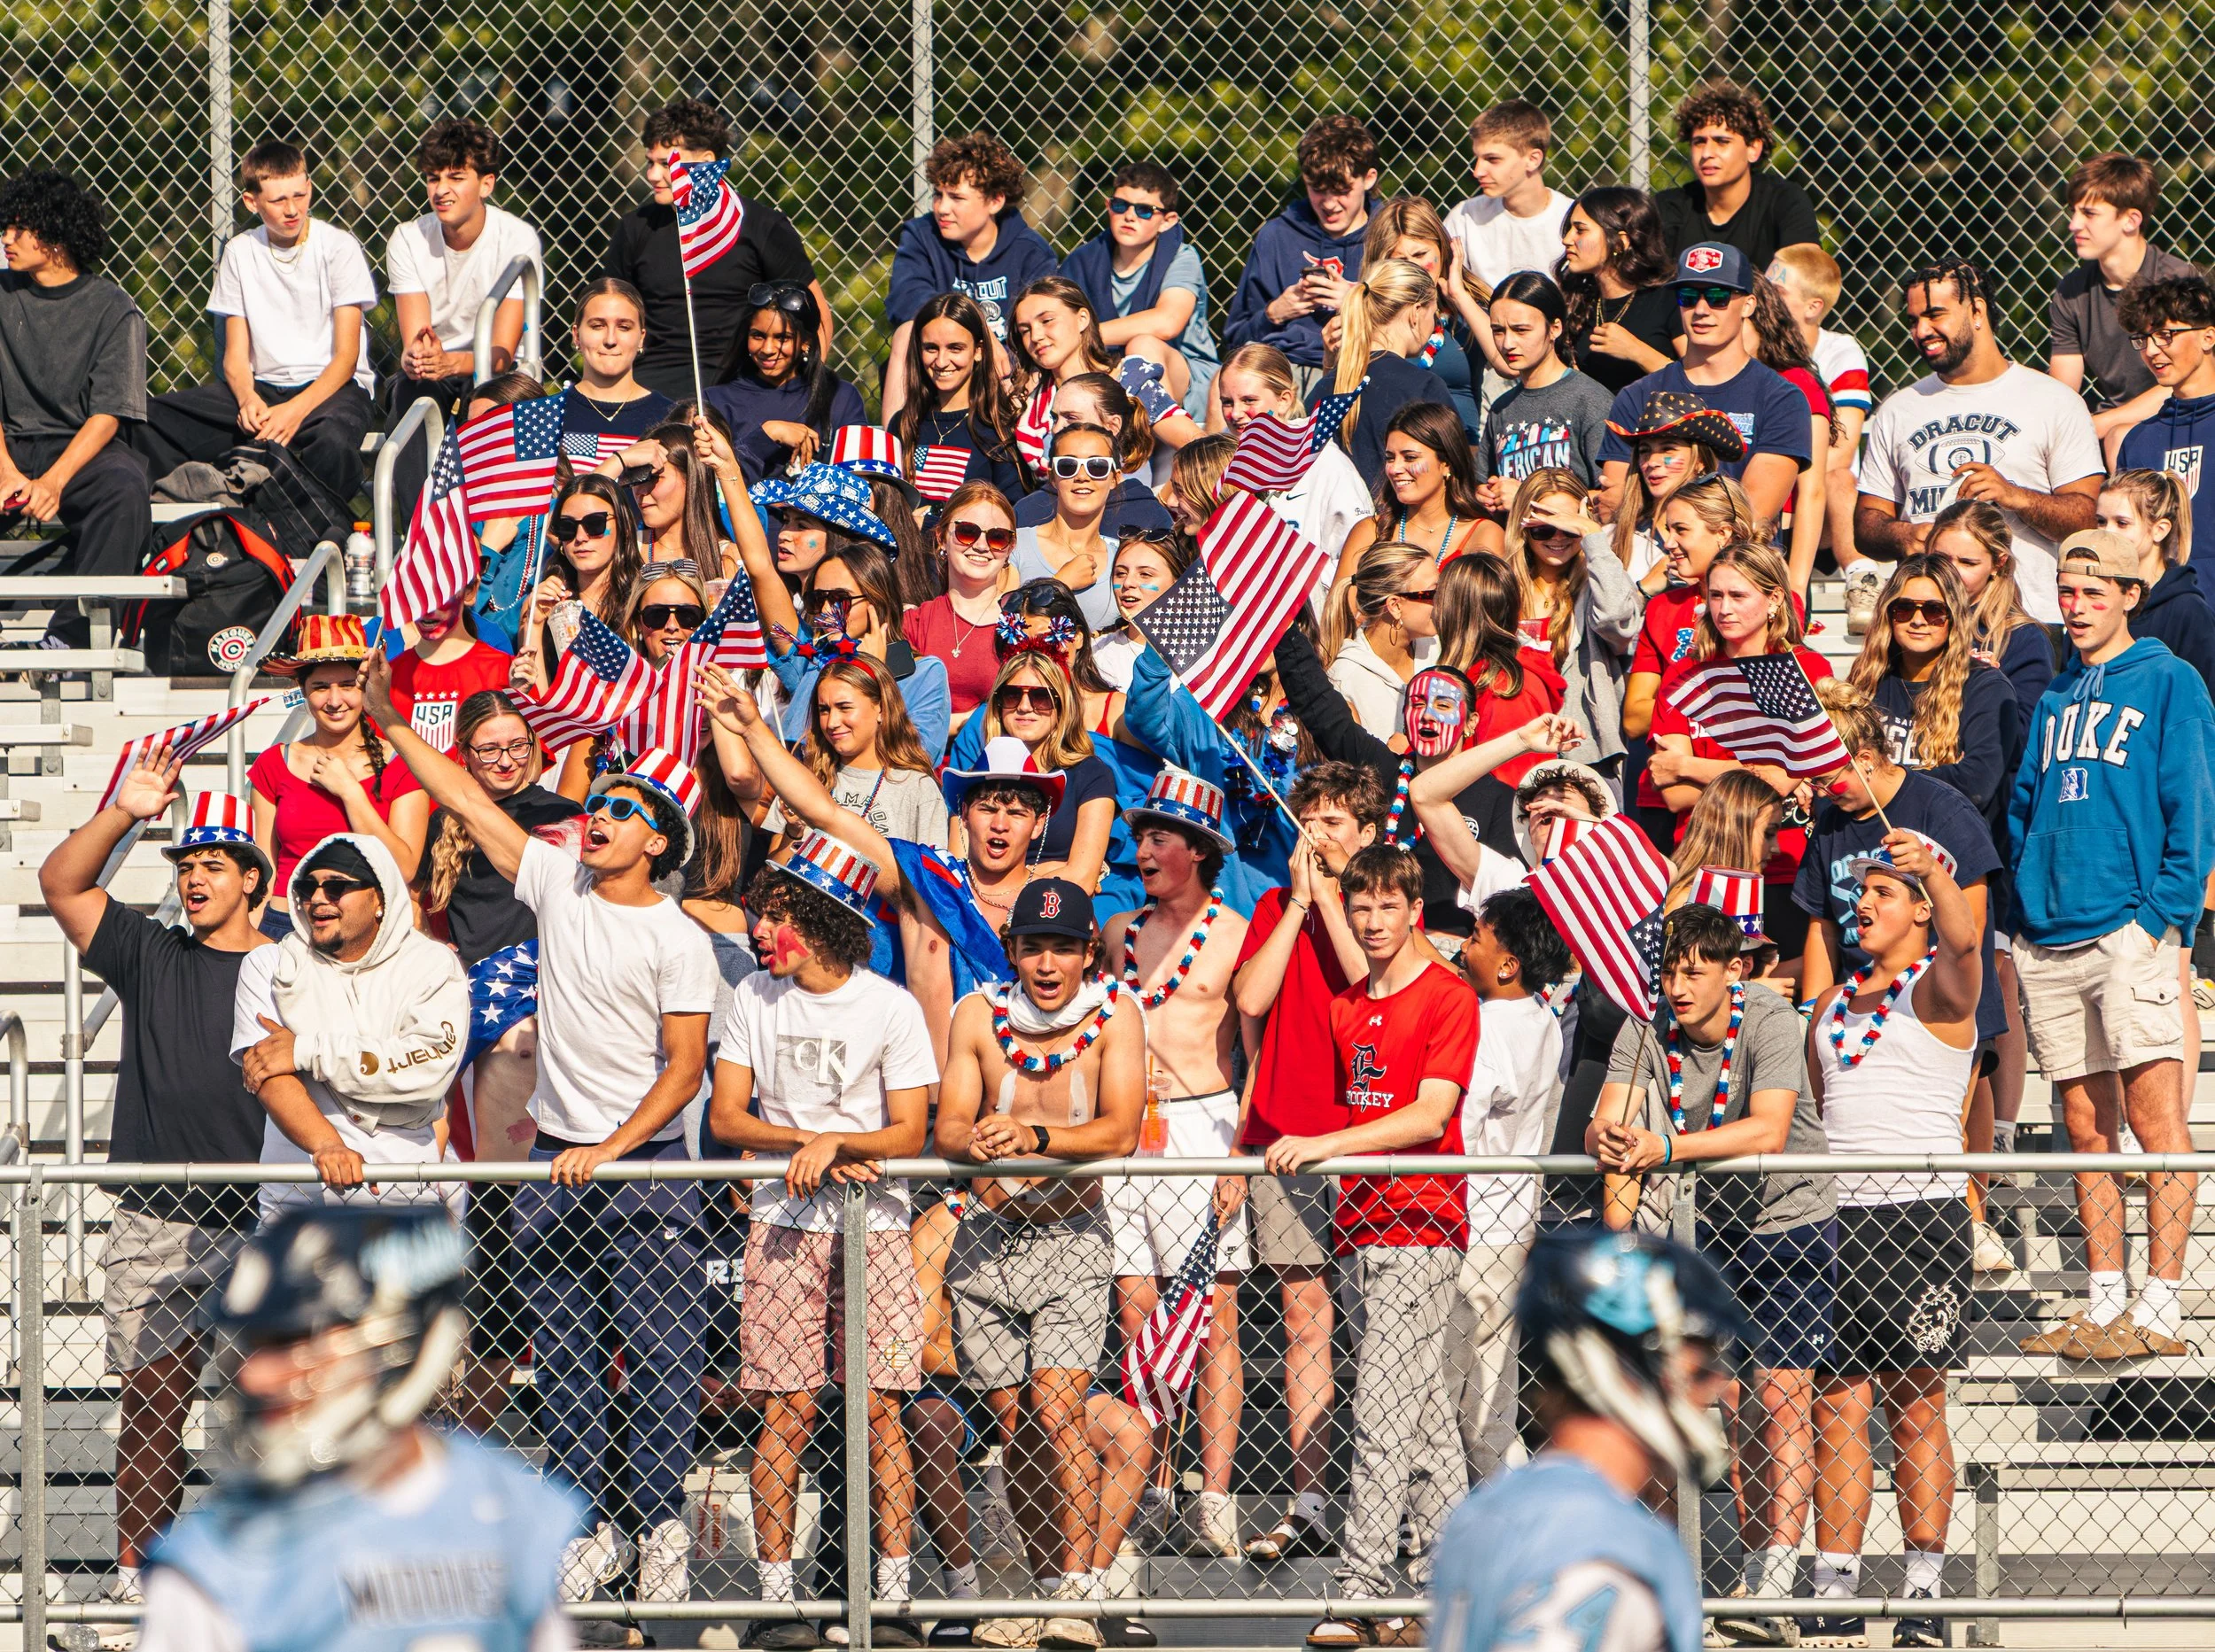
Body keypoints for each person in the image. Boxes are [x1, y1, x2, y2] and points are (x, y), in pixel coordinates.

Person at [369, 649, 720, 1605]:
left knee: (656, 1360)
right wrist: (394, 726)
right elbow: (469, 803)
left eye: (621, 812)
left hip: (644, 1169)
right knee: (563, 1362)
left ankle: (656, 1526)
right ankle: (588, 1525)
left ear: (659, 840)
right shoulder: (557, 884)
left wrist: (610, 1146)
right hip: (557, 1170)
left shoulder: (680, 938)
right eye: (597, 806)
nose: (597, 818)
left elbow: (686, 1069)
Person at [40, 764, 271, 1631]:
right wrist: (126, 809)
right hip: (155, 1215)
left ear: (253, 875)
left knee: (270, 1412)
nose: (196, 874)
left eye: (216, 860)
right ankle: (143, 1565)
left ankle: (262, 1565)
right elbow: (61, 880)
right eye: (186, 862)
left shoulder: (292, 960)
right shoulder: (148, 951)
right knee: (151, 1403)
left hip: (266, 1217)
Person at [136, 1206, 578, 1652]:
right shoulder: (217, 1563)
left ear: (406, 1342)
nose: (256, 1376)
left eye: (297, 1341)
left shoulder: (512, 1515)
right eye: (257, 1346)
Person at [708, 833, 937, 1649]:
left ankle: (897, 1598)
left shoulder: (889, 1005)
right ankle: (778, 1601)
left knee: (879, 1412)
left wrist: (835, 1147)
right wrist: (807, 1141)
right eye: (758, 915)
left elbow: (910, 1131)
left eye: (775, 916)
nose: (760, 931)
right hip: (780, 1227)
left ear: (822, 922)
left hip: (873, 1228)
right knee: (788, 1410)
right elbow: (725, 1116)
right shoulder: (752, 1000)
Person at [1586, 899, 1834, 1648]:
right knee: (1719, 1405)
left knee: (1780, 1396)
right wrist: (1616, 1235)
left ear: (1736, 969)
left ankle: (1775, 1576)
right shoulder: (1643, 1024)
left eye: (1696, 970)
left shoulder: (1765, 1017)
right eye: (1670, 969)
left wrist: (1660, 1149)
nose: (1680, 985)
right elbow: (1612, 1130)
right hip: (1703, 1227)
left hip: (1788, 1219)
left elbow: (1767, 1126)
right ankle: (1717, 1567)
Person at [1264, 845, 1478, 1646]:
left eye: (1388, 906)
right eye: (1360, 908)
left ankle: (1357, 1586)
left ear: (1414, 908)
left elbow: (1429, 1115)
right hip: (1359, 1226)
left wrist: (1326, 1144)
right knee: (1418, 1419)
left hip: (1422, 1224)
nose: (1374, 920)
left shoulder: (1450, 995)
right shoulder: (1347, 1003)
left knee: (1383, 1413)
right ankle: (1456, 1579)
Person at [2009, 529, 2215, 1361]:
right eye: (2066, 590)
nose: (2077, 605)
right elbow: (2025, 805)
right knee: (2085, 1125)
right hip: (2052, 932)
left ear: (2132, 594)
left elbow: (2192, 809)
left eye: (2096, 592)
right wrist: (2026, 910)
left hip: (2130, 926)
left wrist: (2160, 917)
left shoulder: (2170, 679)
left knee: (2154, 1116)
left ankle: (2160, 1307)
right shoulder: (2057, 694)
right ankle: (2104, 1302)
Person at [937, 877, 1146, 1646]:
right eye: (1033, 945)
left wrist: (1037, 1140)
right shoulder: (976, 1013)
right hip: (987, 1238)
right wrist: (981, 1139)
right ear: (1013, 949)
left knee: (1060, 1412)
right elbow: (949, 1127)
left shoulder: (1119, 1012)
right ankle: (1044, 1586)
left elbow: (1121, 1129)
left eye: (1063, 946)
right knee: (1017, 1427)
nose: (1047, 961)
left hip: (1073, 1236)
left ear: (1089, 949)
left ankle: (1081, 1594)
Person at [1803, 829, 1983, 1651]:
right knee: (1836, 1405)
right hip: (1838, 1222)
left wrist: (1933, 871)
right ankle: (1835, 1589)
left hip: (1920, 1220)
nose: (1863, 904)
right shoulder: (1827, 1008)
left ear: (1918, 908)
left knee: (1916, 1408)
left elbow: (1968, 936)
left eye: (1884, 892)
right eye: (1860, 891)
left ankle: (1923, 1593)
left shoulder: (1943, 990)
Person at [1427, 1228, 1747, 1652]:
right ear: (1632, 1367)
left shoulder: (1487, 1508)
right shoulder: (1605, 1541)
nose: (1713, 1388)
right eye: (1701, 1368)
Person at [1798, 679, 2011, 1268]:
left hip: (1942, 987)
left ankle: (1974, 1213)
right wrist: (1816, 1012)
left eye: (1826, 775)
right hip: (1861, 994)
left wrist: (1930, 878)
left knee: (1956, 1112)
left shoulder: (1939, 806)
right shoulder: (1830, 818)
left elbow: (1968, 925)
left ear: (1863, 759)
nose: (1817, 789)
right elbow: (1820, 922)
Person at [1226, 762, 1382, 1562]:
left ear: (1364, 835)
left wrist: (1333, 901)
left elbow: (1369, 985)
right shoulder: (1270, 905)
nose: (1315, 835)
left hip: (1368, 1143)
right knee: (1303, 1320)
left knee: (1377, 1326)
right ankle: (1312, 1499)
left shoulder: (1380, 913)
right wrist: (1295, 904)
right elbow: (1251, 1000)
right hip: (1286, 1137)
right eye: (1308, 819)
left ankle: (1386, 1499)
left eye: (1332, 823)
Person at [1102, 772, 1251, 1558]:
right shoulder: (1117, 930)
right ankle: (1153, 1482)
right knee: (1138, 1311)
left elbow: (1256, 1057)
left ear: (1198, 849)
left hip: (1202, 1126)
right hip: (1128, 1134)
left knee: (1214, 1317)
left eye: (1160, 837)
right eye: (1141, 836)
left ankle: (1216, 1496)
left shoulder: (1234, 935)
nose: (1143, 850)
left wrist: (1240, 1155)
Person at [1408, 886, 1571, 1524]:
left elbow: (1459, 1126)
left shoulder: (1486, 1025)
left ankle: (1477, 1526)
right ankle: (1512, 1518)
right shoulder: (1543, 1018)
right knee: (1488, 1398)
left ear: (1508, 962)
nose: (1462, 944)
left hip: (1472, 1230)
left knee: (1452, 1400)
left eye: (1476, 936)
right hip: (1513, 1225)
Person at [230, 827, 468, 1226]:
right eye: (307, 887)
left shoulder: (431, 966)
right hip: (296, 1197)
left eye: (337, 887)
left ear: (379, 898)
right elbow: (268, 1075)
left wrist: (306, 1051)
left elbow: (426, 1071)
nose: (318, 899)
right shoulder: (268, 964)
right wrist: (327, 1146)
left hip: (398, 1190)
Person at [1856, 258, 2103, 624]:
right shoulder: (1899, 409)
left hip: (2026, 620)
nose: (1921, 330)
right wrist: (1902, 535)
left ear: (1977, 311)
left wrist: (2015, 496)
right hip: (1925, 620)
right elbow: (1866, 524)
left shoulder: (2054, 401)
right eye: (1913, 321)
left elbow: (2085, 520)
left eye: (1935, 315)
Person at [134, 139, 377, 503]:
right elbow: (235, 357)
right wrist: (247, 399)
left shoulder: (338, 247)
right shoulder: (240, 252)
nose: (293, 209)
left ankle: (311, 543)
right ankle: (182, 533)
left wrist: (293, 413)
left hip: (331, 390)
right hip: (263, 389)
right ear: (252, 202)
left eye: (300, 195)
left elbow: (346, 359)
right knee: (151, 419)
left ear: (309, 188)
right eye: (279, 201)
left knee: (332, 441)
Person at [1649, 541, 1832, 959]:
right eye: (1715, 596)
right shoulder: (1685, 676)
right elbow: (1673, 792)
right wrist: (1767, 772)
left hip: (1786, 868)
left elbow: (1785, 777)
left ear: (1773, 600)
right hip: (1703, 867)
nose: (1724, 608)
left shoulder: (1806, 670)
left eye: (1738, 595)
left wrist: (1690, 764)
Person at [0, 169, 151, 648]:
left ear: (56, 236)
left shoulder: (113, 308)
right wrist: (6, 472)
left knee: (125, 489)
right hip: (9, 445)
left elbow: (108, 415)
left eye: (19, 229)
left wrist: (54, 481)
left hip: (79, 450)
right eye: (6, 227)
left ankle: (71, 640)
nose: (7, 238)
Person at [607, 97, 825, 399]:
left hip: (743, 388)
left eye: (666, 163)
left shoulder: (762, 225)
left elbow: (816, 316)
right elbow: (609, 313)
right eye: (650, 162)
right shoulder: (634, 228)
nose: (653, 176)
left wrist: (801, 395)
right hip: (650, 388)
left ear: (707, 161)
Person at [382, 118, 543, 514]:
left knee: (496, 397)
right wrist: (417, 356)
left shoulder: (517, 238)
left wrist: (450, 362)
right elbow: (416, 339)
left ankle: (492, 531)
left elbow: (502, 353)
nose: (441, 190)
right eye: (433, 178)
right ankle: (423, 534)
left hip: (498, 369)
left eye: (456, 177)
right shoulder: (407, 238)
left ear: (486, 184)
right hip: (438, 372)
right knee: (408, 393)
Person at [1596, 244, 1810, 533]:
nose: (1700, 309)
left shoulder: (1781, 398)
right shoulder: (1638, 396)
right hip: (1647, 554)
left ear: (1748, 305)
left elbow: (1750, 516)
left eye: (1717, 297)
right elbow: (1620, 504)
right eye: (1688, 297)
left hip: (1736, 567)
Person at [248, 616, 429, 941]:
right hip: (285, 926)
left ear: (365, 686)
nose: (334, 701)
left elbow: (404, 868)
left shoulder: (403, 765)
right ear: (302, 690)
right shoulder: (272, 764)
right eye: (320, 687)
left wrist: (350, 793)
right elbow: (265, 870)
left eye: (347, 685)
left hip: (369, 930)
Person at [1845, 553, 2025, 842]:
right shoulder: (1867, 681)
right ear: (1888, 614)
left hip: (1952, 854)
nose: (1917, 620)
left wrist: (1876, 779)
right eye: (1904, 609)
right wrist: (1940, 774)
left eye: (1933, 611)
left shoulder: (1985, 687)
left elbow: (1976, 783)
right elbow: (1839, 774)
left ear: (1953, 616)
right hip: (1867, 849)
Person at [883, 131, 1061, 411]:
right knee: (906, 333)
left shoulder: (1029, 250)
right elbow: (905, 300)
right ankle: (897, 447)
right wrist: (980, 331)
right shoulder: (921, 236)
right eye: (938, 195)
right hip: (941, 369)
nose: (942, 208)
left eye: (956, 197)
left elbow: (1049, 320)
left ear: (995, 201)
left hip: (1006, 375)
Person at [2048, 152, 2197, 452]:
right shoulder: (2071, 292)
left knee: (2119, 438)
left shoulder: (2177, 280)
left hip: (2181, 415)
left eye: (2089, 214)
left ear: (2130, 220)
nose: (2074, 225)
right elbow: (2062, 391)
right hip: (2106, 425)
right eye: (2074, 212)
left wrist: (2100, 425)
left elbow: (2188, 381)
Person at [1224, 115, 1382, 389]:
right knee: (1225, 383)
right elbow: (1235, 337)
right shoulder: (1277, 235)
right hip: (1283, 370)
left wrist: (1356, 300)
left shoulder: (1390, 233)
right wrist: (1274, 313)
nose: (1330, 204)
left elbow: (1415, 324)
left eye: (1342, 190)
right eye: (1318, 190)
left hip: (1364, 363)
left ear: (1368, 178)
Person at [1505, 470, 1640, 781]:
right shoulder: (1500, 587)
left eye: (1569, 529)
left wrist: (1593, 537)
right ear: (1523, 528)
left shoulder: (1599, 584)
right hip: (1510, 747)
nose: (1557, 538)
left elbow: (1617, 618)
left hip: (1583, 753)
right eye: (1544, 529)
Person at [1060, 159, 1218, 417]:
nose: (1130, 216)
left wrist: (1084, 335)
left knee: (1142, 348)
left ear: (1167, 221)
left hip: (1188, 377)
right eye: (1120, 206)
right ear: (1108, 206)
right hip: (1109, 370)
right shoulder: (1084, 261)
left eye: (1145, 210)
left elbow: (1167, 322)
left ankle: (1163, 450)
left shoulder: (1182, 256)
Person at [1213, 343, 1376, 573]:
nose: (1236, 414)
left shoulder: (1326, 464)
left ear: (1284, 400)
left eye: (1249, 400)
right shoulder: (1217, 461)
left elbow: (1356, 554)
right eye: (1227, 402)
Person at [1768, 245, 1873, 599]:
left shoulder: (1839, 352)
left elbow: (1841, 452)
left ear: (1813, 307)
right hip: (1765, 504)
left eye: (1777, 293)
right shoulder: (1750, 347)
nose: (1763, 299)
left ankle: (1858, 573)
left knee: (1840, 476)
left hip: (1820, 503)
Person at [1353, 197, 1489, 442]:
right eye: (1400, 260)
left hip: (1459, 451)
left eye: (1420, 254)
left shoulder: (1466, 307)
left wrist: (1459, 296)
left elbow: (1508, 363)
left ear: (1443, 249)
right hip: (1393, 454)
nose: (1413, 267)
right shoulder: (1369, 313)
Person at [707, 281, 867, 482]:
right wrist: (768, 435)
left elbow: (861, 483)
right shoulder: (716, 401)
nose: (767, 349)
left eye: (783, 338)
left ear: (806, 342)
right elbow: (709, 485)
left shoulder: (841, 398)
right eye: (758, 336)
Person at [1652, 80, 1823, 268]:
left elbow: (1806, 280)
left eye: (1722, 141)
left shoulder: (1785, 201)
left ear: (1753, 149)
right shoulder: (1668, 208)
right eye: (1699, 142)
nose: (1707, 153)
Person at [1317, 259, 1453, 489]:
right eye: (1435, 314)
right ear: (1416, 313)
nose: (1434, 325)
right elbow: (1454, 469)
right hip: (1403, 521)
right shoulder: (1425, 388)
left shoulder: (1327, 386)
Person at [1740, 272, 1836, 595]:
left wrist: (1795, 586)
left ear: (1759, 318)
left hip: (1777, 549)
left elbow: (1813, 492)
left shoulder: (1796, 383)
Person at [1474, 270, 1613, 493]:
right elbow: (1483, 481)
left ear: (1555, 328)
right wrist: (1484, 496)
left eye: (1521, 330)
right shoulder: (1501, 409)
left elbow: (1612, 498)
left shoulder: (1590, 400)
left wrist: (1526, 498)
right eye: (1498, 331)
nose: (1508, 343)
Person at [890, 291, 1027, 499]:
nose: (942, 361)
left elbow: (1011, 510)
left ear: (978, 350)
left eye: (955, 348)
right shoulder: (904, 423)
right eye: (931, 348)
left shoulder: (999, 425)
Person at [1929, 497, 2055, 721]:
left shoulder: (2023, 638)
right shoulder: (1906, 619)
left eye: (1968, 562)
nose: (1951, 572)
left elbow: (2025, 733)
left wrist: (1975, 682)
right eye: (1941, 559)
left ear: (1998, 564)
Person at [2117, 274, 2215, 552]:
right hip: (2162, 594)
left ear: (2208, 337)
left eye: (2164, 335)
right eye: (2144, 339)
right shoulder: (2140, 441)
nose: (2150, 351)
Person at [903, 482, 1021, 716]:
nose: (981, 546)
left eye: (997, 537)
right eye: (967, 532)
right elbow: (893, 710)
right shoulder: (912, 622)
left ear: (1010, 547)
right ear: (941, 537)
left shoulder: (1023, 625)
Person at [1607, 393, 1745, 593]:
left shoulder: (1731, 535)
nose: (1652, 462)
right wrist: (1645, 589)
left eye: (1668, 449)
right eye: (1645, 451)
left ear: (1700, 461)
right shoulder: (1615, 537)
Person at [1442, 100, 1575, 303]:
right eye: (1477, 158)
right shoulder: (1465, 217)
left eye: (1493, 160)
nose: (1478, 171)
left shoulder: (1573, 219)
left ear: (1533, 159)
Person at [1555, 185, 1683, 395]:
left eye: (1580, 230)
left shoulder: (1669, 298)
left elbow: (1698, 381)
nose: (1567, 239)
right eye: (1569, 229)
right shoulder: (1578, 300)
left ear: (1620, 242)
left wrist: (1636, 351)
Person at [2099, 468, 2215, 692]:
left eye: (2121, 523)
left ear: (2160, 530)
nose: (2107, 532)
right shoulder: (2091, 601)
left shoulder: (2189, 613)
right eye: (2101, 521)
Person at [1341, 400, 1487, 577]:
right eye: (1390, 458)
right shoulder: (1369, 532)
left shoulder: (1483, 534)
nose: (1395, 469)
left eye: (1410, 458)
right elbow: (1340, 602)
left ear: (1447, 463)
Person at [1324, 539, 1442, 738]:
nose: (1443, 602)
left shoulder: (1438, 648)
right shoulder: (1346, 678)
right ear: (1395, 606)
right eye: (1433, 593)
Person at [1011, 421, 1123, 628]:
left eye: (1097, 466)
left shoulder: (1124, 559)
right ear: (1052, 476)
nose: (1082, 476)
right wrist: (1060, 584)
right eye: (1067, 466)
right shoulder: (1015, 545)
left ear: (1115, 478)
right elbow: (1002, 626)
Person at [552, 277, 677, 456]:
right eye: (597, 326)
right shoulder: (547, 417)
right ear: (576, 335)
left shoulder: (670, 417)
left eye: (624, 327)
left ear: (641, 337)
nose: (610, 340)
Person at [382, 586, 515, 749]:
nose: (428, 606)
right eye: (417, 588)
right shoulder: (387, 677)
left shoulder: (505, 669)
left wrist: (521, 700)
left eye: (440, 592)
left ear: (469, 592)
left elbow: (533, 764)